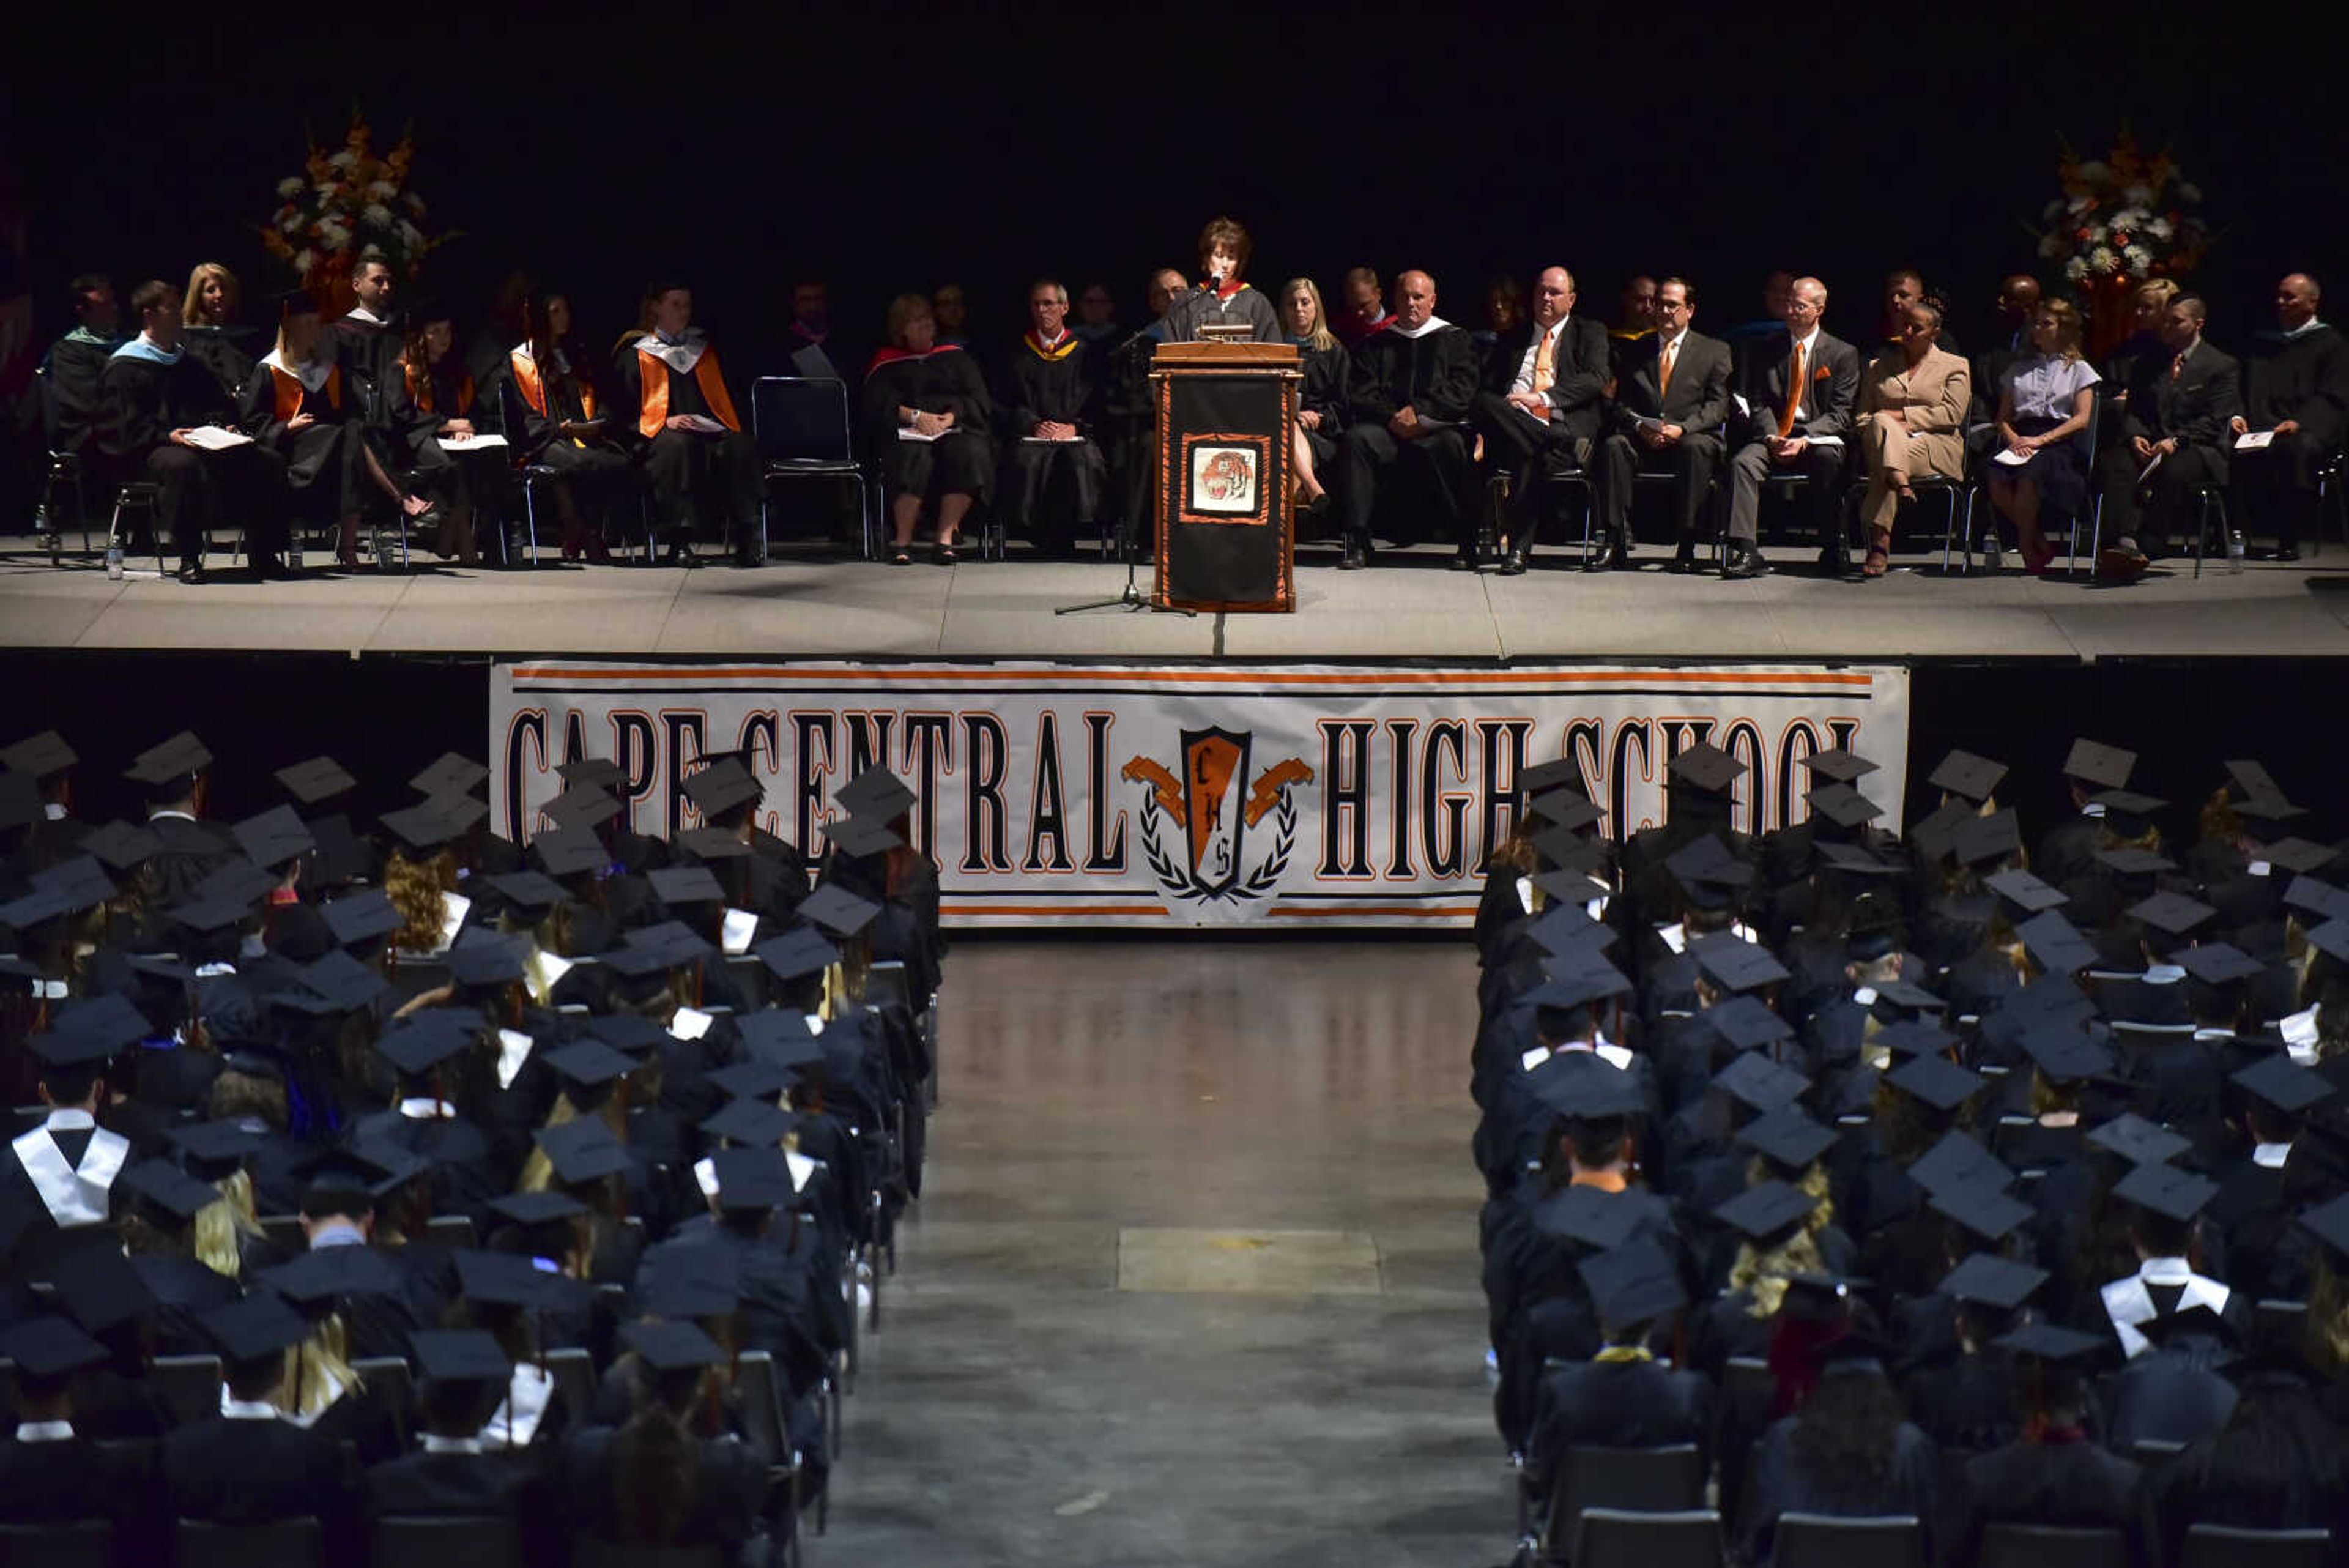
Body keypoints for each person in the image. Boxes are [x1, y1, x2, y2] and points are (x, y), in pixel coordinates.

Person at [241, 291, 428, 575]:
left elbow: (351, 412)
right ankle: (395, 500)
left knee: (353, 432)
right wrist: (286, 427)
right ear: (289, 328)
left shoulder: (329, 369)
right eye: (308, 325)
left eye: (318, 324)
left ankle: (364, 530)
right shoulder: (270, 370)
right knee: (350, 435)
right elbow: (252, 424)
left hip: (336, 452)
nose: (317, 331)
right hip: (293, 451)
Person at [97, 279, 243, 584]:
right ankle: (189, 557)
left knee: (262, 457)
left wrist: (224, 425)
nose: (180, 315)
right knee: (181, 464)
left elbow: (218, 403)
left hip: (198, 443)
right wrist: (167, 436)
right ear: (149, 315)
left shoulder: (188, 363)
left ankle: (265, 553)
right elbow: (121, 428)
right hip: (147, 452)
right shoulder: (125, 366)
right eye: (172, 308)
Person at [609, 280, 764, 568]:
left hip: (706, 435)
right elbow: (621, 411)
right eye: (675, 304)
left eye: (687, 305)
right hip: (659, 438)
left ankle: (747, 535)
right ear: (656, 307)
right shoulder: (637, 353)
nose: (684, 312)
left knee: (739, 443)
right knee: (677, 445)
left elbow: (726, 402)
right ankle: (679, 541)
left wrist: (712, 423)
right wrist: (665, 420)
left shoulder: (704, 351)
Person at [1333, 269, 1479, 571]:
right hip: (1390, 430)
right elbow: (1360, 393)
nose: (1411, 303)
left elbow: (1462, 391)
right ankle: (1358, 540)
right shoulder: (1376, 344)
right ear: (1394, 299)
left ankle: (1467, 541)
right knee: (1357, 440)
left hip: (1437, 427)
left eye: (1418, 297)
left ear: (1433, 301)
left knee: (1452, 444)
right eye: (1405, 297)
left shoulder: (1456, 339)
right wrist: (1393, 417)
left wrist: (1422, 414)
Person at [1469, 266, 1609, 575]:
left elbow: (1596, 379)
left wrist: (1543, 399)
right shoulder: (1512, 339)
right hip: (1538, 436)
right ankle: (1545, 442)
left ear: (1571, 299)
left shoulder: (1590, 332)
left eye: (1555, 292)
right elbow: (1489, 391)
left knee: (1527, 452)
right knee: (1483, 403)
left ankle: (1519, 550)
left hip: (1562, 424)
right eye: (1540, 291)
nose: (1546, 297)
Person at [1722, 277, 1860, 581]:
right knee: (1743, 464)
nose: (1790, 311)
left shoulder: (1842, 354)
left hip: (1818, 435)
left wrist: (1804, 439)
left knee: (1828, 459)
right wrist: (1773, 437)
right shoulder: (1765, 349)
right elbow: (1756, 402)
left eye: (1799, 305)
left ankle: (1833, 545)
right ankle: (1745, 548)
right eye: (1788, 303)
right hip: (1775, 433)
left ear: (1819, 309)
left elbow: (1841, 414)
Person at [2096, 293, 2240, 581]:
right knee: (2116, 462)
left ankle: (2150, 540)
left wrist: (2177, 441)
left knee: (2174, 470)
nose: (2168, 328)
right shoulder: (2148, 363)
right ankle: (2121, 543)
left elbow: (2215, 420)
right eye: (2166, 322)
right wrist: (2136, 434)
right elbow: (2135, 409)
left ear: (2198, 324)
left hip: (2196, 447)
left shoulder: (2221, 365)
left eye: (2177, 322)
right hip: (2153, 441)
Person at [1594, 277, 1733, 572]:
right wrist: (1640, 428)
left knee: (1696, 448)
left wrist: (1683, 428)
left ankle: (1687, 544)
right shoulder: (1634, 350)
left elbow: (1718, 405)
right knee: (1613, 446)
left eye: (1673, 305)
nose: (1665, 311)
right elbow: (1620, 405)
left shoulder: (1714, 351)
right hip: (1644, 437)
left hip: (1690, 435)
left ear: (1690, 310)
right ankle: (1614, 541)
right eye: (1660, 305)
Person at [864, 292, 992, 565]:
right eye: (915, 321)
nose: (925, 325)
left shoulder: (956, 358)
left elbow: (978, 399)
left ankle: (944, 540)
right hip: (906, 432)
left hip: (953, 429)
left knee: (969, 453)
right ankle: (903, 541)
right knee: (912, 456)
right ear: (901, 329)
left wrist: (952, 417)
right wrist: (914, 416)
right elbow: (876, 405)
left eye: (927, 319)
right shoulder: (887, 362)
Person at [508, 289, 632, 563]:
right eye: (555, 312)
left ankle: (588, 531)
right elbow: (524, 414)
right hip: (543, 441)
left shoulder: (576, 354)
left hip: (581, 436)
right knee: (579, 462)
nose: (564, 317)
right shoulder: (521, 360)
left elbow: (602, 396)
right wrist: (560, 430)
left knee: (616, 461)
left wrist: (597, 422)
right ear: (541, 317)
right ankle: (588, 534)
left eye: (565, 310)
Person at [2232, 273, 2349, 561]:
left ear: (2312, 302)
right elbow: (2239, 386)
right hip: (2259, 425)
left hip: (2304, 430)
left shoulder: (2331, 344)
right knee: (2224, 446)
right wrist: (2237, 415)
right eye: (2280, 295)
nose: (2280, 302)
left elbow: (2335, 395)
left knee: (2296, 450)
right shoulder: (2262, 343)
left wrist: (2299, 422)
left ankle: (2289, 538)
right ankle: (2230, 535)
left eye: (2290, 297)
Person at [1854, 301, 1970, 578]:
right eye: (1904, 324)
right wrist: (1888, 425)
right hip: (1880, 441)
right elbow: (1862, 418)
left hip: (1935, 446)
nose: (1907, 331)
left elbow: (1951, 415)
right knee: (1881, 425)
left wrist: (1900, 418)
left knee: (1885, 429)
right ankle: (1900, 483)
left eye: (1916, 328)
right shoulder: (1878, 367)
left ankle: (1880, 543)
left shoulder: (1955, 366)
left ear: (1934, 332)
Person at [1984, 299, 2099, 574]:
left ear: (2063, 328)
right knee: (1994, 475)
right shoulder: (2018, 370)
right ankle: (2037, 539)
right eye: (2035, 323)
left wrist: (2042, 440)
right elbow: (2003, 418)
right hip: (2022, 436)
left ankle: (2026, 547)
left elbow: (2082, 419)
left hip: (2058, 441)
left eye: (2045, 323)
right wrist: (2014, 440)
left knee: (2029, 475)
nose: (2037, 329)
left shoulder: (2079, 370)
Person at [993, 278, 1105, 556]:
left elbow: (1100, 405)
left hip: (1076, 434)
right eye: (1037, 304)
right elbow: (1002, 401)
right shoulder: (1016, 353)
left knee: (1085, 460)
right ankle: (1036, 535)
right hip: (1030, 434)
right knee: (1026, 460)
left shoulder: (1087, 354)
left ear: (1065, 307)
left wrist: (1073, 427)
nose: (1043, 310)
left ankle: (1077, 532)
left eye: (1049, 303)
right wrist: (1032, 424)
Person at [391, 302, 501, 565]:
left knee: (490, 461)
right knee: (457, 468)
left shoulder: (456, 370)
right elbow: (401, 415)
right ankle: (465, 540)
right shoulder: (402, 369)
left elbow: (474, 410)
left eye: (448, 331)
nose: (444, 338)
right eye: (436, 331)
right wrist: (448, 425)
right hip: (414, 443)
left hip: (452, 443)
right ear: (421, 336)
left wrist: (465, 428)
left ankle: (464, 537)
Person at [1281, 277, 1349, 519]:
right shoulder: (1275, 350)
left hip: (1321, 434)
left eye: (1305, 302)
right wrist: (1294, 416)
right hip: (1283, 425)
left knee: (1287, 434)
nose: (1298, 309)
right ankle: (1313, 489)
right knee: (1285, 426)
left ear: (1316, 308)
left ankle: (1284, 534)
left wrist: (1320, 418)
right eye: (1292, 304)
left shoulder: (1334, 351)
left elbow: (1344, 405)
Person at [40, 273, 121, 467]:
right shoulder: (68, 352)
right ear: (83, 311)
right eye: (105, 305)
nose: (115, 308)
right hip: (93, 439)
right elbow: (88, 406)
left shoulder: (128, 341)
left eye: (113, 301)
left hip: (130, 426)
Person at [1160, 216, 1283, 343]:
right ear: (1207, 258)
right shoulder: (1187, 302)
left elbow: (1272, 351)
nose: (1225, 264)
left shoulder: (1257, 303)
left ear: (1239, 263)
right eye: (1219, 256)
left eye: (1231, 258)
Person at [332, 257, 404, 418]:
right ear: (357, 285)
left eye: (389, 281)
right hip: (366, 421)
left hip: (409, 416)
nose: (386, 287)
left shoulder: (400, 328)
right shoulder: (342, 333)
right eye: (378, 281)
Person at [181, 261, 260, 407]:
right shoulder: (187, 340)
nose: (220, 295)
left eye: (224, 288)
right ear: (198, 296)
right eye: (211, 290)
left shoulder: (246, 334)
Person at [1332, 266, 1390, 345]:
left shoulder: (1398, 327)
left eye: (1364, 305)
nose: (1359, 313)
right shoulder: (1339, 332)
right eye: (1353, 307)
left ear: (1378, 294)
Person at [1609, 275, 1659, 343]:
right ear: (1625, 299)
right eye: (1640, 299)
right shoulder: (1607, 340)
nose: (1648, 306)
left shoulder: (1666, 337)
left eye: (1653, 301)